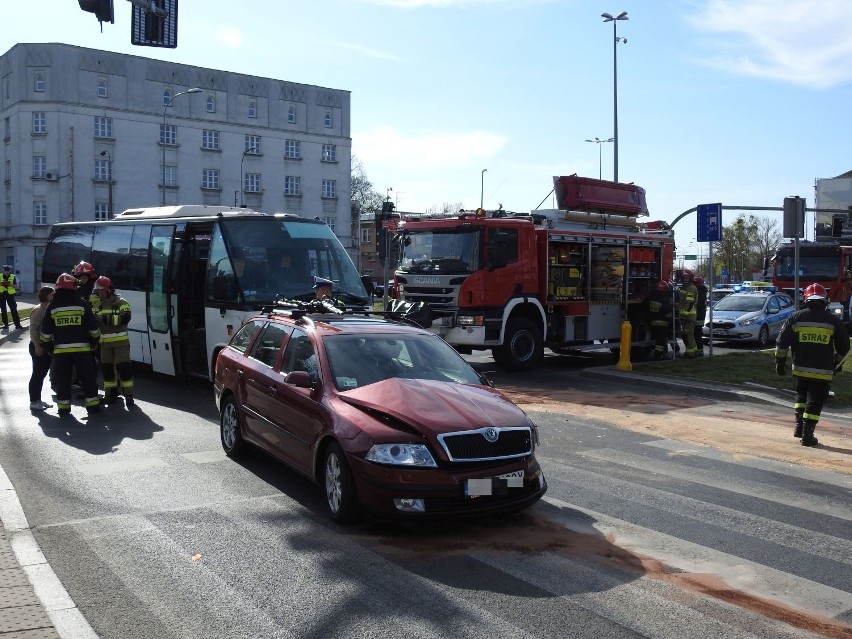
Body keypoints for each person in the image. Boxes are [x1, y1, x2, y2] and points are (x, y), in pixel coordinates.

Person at [775, 283, 849, 446]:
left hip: (800, 369)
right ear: (825, 301)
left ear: (805, 299)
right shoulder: (833, 321)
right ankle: (808, 435)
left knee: (801, 397)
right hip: (822, 371)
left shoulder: (795, 317)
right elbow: (844, 348)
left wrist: (780, 363)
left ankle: (799, 426)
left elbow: (781, 343)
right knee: (815, 401)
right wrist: (837, 364)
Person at [40, 273, 101, 416]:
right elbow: (94, 329)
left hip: (61, 352)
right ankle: (92, 407)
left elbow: (45, 334)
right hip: (83, 350)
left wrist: (49, 349)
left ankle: (63, 408)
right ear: (74, 287)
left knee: (63, 380)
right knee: (87, 378)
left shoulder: (52, 307)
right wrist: (94, 342)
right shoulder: (83, 304)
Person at [92, 276, 135, 406]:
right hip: (105, 344)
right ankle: (110, 394)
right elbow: (92, 323)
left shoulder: (121, 302)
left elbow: (126, 318)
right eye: (97, 291)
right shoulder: (97, 305)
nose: (98, 293)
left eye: (101, 291)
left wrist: (106, 319)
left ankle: (129, 396)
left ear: (108, 290)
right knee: (107, 369)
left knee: (124, 368)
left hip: (120, 343)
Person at [28, 286, 55, 410]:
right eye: (52, 294)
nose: (54, 297)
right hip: (38, 345)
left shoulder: (48, 308)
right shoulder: (38, 310)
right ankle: (34, 402)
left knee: (42, 374)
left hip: (47, 346)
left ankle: (38, 399)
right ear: (46, 296)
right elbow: (33, 329)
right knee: (37, 374)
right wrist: (37, 346)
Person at [646, 280, 673, 360]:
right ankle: (657, 356)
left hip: (653, 322)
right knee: (661, 341)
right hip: (663, 323)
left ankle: (663, 354)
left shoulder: (652, 297)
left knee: (659, 339)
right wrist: (672, 321)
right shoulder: (663, 298)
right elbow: (667, 312)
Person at [677, 269, 699, 358]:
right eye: (684, 277)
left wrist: (684, 315)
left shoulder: (691, 288)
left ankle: (691, 354)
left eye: (687, 277)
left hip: (689, 316)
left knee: (688, 335)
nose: (685, 279)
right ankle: (692, 352)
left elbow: (689, 303)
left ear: (690, 278)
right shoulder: (685, 287)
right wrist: (675, 305)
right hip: (686, 316)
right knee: (686, 335)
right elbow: (683, 303)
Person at [0, 264, 24, 331]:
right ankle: (6, 325)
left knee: (13, 309)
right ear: (3, 270)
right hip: (2, 295)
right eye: (5, 270)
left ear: (10, 270)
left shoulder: (13, 277)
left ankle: (18, 325)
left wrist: (10, 284)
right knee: (3, 310)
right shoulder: (0, 276)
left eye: (8, 270)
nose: (6, 272)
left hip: (10, 295)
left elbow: (16, 286)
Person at [693, 276, 708, 357]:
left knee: (697, 335)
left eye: (696, 283)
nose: (694, 284)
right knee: (696, 335)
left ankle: (699, 352)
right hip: (699, 316)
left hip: (698, 317)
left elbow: (697, 305)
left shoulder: (701, 294)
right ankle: (698, 351)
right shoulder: (702, 292)